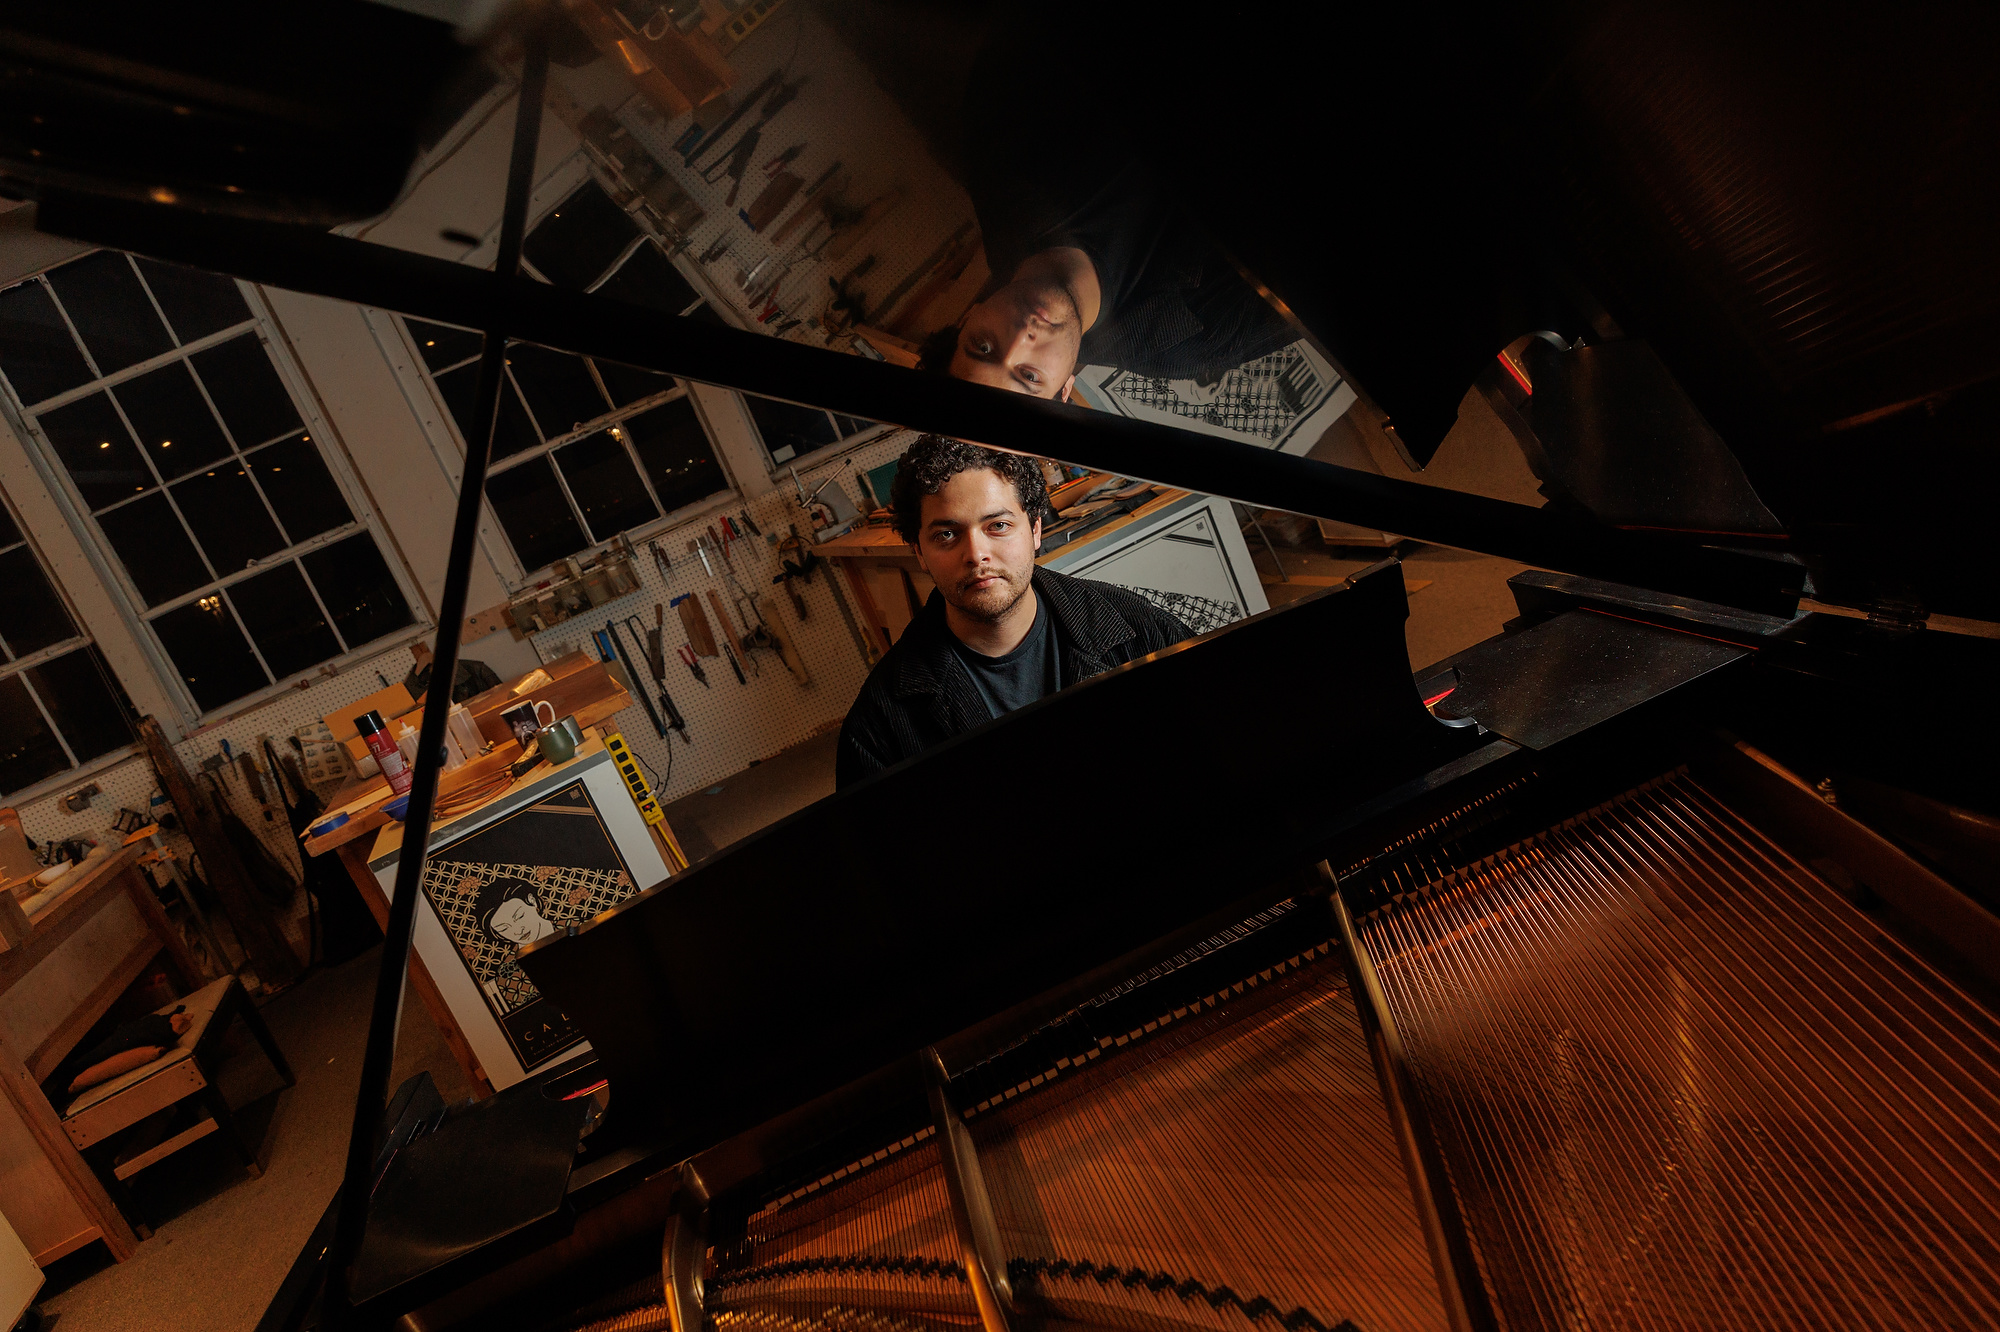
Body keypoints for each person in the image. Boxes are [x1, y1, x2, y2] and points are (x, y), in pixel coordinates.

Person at [915, 16, 1296, 400]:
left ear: (967, 318)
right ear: (1065, 391)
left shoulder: (1000, 149)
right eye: (1030, 376)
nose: (1020, 338)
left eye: (983, 347)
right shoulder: (1195, 344)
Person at [836, 435, 1193, 787]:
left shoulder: (1141, 630)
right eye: (947, 534)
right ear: (918, 552)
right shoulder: (877, 725)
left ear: (1035, 530)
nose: (976, 554)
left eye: (998, 526)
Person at [475, 875, 556, 946]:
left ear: (532, 900)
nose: (518, 931)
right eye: (504, 929)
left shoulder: (567, 928)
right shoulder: (510, 963)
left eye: (519, 916)